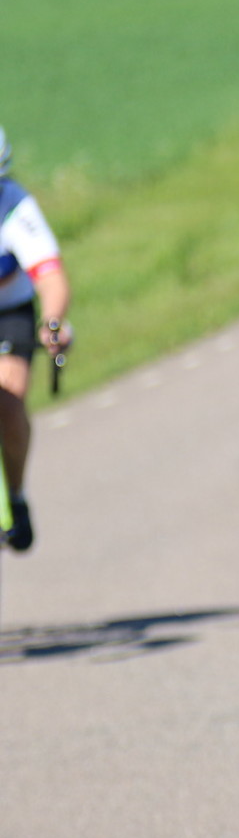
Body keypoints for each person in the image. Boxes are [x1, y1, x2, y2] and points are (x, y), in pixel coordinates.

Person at [0, 125, 73, 552]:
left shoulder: (15, 206)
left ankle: (16, 494)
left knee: (8, 400)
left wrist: (52, 322)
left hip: (9, 314)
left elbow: (51, 279)